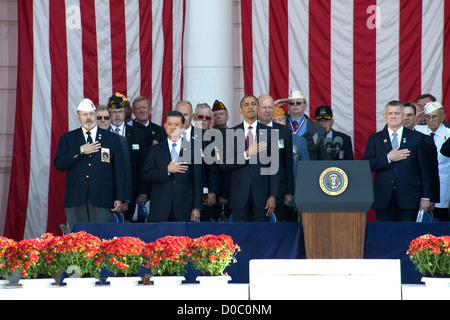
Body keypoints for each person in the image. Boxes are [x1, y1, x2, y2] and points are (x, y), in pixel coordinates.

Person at [53, 99, 126, 230]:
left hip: (102, 197)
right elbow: (59, 164)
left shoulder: (111, 138)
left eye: (91, 114)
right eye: (85, 114)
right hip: (76, 198)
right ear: (78, 117)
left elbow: (119, 170)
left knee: (101, 238)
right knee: (79, 240)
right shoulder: (68, 138)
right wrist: (80, 151)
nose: (88, 118)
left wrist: (119, 197)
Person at [363, 100, 431, 222]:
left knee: (408, 236)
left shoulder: (416, 138)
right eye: (390, 113)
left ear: (403, 115)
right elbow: (367, 165)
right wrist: (388, 158)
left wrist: (425, 197)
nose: (393, 116)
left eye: (397, 113)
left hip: (409, 198)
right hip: (384, 198)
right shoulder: (375, 139)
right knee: (385, 237)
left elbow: (424, 170)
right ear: (385, 116)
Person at [221, 94, 279, 222]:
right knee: (239, 236)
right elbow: (224, 164)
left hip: (262, 195)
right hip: (238, 195)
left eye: (253, 104)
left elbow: (274, 167)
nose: (250, 107)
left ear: (258, 108)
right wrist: (246, 154)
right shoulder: (230, 133)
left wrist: (273, 195)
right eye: (246, 104)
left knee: (262, 235)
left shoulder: (270, 133)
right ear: (240, 110)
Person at [142, 111, 203, 222]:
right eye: (169, 124)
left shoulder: (193, 149)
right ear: (165, 126)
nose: (173, 127)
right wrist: (167, 170)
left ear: (183, 127)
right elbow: (146, 175)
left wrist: (196, 207)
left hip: (184, 208)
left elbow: (198, 181)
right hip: (160, 208)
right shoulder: (155, 149)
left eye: (177, 124)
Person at [108, 93, 149, 222]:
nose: (117, 115)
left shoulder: (138, 133)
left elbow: (143, 164)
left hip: (132, 192)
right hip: (108, 192)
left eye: (120, 111)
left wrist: (143, 192)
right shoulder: (102, 133)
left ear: (125, 113)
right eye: (113, 112)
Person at [258, 94, 294, 222]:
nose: (267, 110)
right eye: (264, 107)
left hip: (279, 188)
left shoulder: (284, 131)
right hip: (255, 188)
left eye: (270, 107)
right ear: (257, 109)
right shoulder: (250, 130)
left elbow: (288, 162)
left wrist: (289, 192)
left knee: (277, 226)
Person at [272, 107, 310, 221]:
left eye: (280, 119)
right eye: (274, 121)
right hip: (271, 198)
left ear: (286, 121)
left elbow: (305, 173)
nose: (278, 123)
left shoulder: (299, 141)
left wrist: (301, 199)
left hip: (292, 199)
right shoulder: (264, 138)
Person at [96, 105, 133, 218]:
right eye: (99, 118)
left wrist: (124, 198)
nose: (103, 120)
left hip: (112, 196)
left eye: (106, 118)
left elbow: (125, 171)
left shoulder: (119, 140)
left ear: (110, 119)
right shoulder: (88, 138)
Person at [415, 102, 450, 221]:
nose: (430, 120)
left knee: (440, 219)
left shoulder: (449, 134)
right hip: (422, 185)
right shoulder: (417, 130)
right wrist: (415, 120)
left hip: (443, 183)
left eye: (434, 116)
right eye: (427, 116)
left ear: (442, 117)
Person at [402, 102, 440, 212]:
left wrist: (432, 198)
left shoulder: (426, 140)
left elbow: (432, 172)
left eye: (410, 115)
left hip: (418, 196)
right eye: (403, 115)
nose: (406, 118)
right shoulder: (390, 140)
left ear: (416, 118)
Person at [275, 89, 329, 160]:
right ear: (288, 106)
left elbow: (323, 157)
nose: (295, 105)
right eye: (291, 103)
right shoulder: (278, 121)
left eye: (298, 103)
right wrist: (273, 105)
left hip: (308, 168)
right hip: (285, 167)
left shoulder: (318, 128)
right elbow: (261, 122)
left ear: (305, 105)